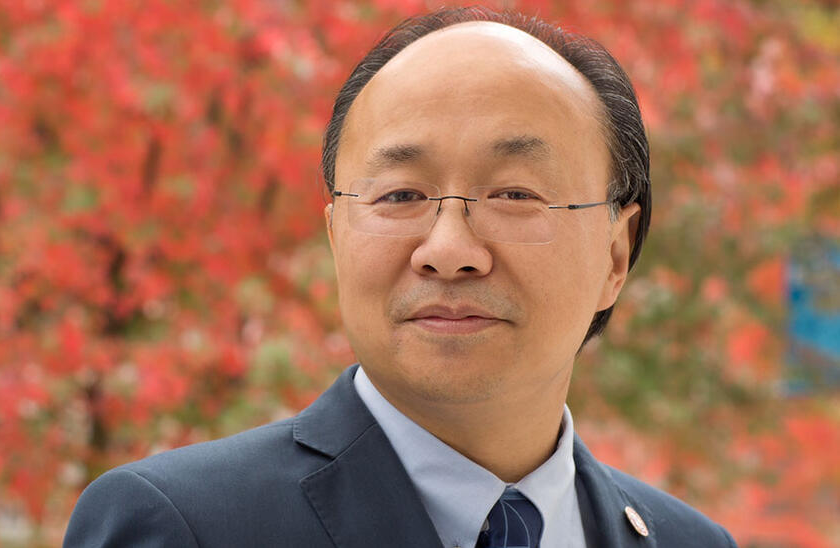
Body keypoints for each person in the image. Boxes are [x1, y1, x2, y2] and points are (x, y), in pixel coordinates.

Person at [65, 7, 737, 548]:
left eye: (512, 195)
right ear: (336, 237)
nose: (448, 250)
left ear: (615, 257)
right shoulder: (183, 525)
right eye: (399, 196)